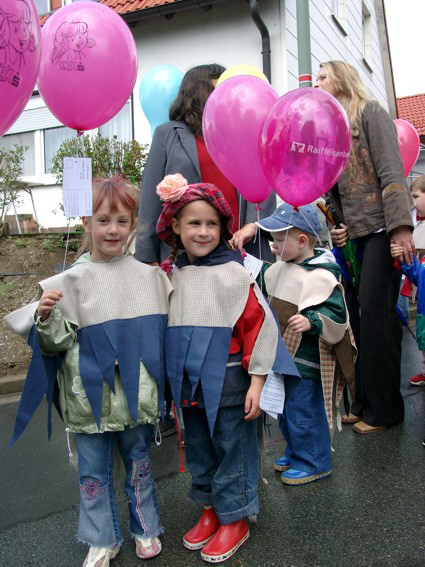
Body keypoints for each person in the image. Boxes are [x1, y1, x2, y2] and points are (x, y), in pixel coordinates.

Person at [4, 176, 173, 567]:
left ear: (134, 225)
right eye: (102, 220)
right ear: (86, 222)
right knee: (92, 476)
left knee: (140, 467)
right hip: (87, 401)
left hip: (137, 400)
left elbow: (162, 331)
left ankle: (145, 527)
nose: (112, 229)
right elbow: (56, 344)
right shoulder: (70, 281)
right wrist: (45, 316)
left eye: (121, 220)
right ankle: (101, 539)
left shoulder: (148, 277)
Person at [155, 174, 299, 563]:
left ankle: (235, 515)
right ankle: (210, 508)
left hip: (232, 383)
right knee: (199, 447)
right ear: (175, 227)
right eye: (193, 223)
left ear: (223, 229)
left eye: (211, 224)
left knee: (233, 448)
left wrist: (257, 383)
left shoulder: (236, 274)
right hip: (189, 385)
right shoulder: (170, 274)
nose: (202, 232)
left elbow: (258, 327)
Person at [315, 60, 414, 434]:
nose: (316, 81)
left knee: (376, 318)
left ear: (341, 78)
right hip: (353, 237)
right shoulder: (329, 128)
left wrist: (401, 229)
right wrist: (335, 228)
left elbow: (391, 171)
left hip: (382, 230)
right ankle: (362, 403)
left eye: (322, 75)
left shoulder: (370, 113)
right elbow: (333, 192)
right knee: (356, 320)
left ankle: (386, 411)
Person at [135, 63, 276, 266]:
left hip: (243, 249)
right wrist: (146, 258)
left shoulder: (241, 131)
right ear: (197, 91)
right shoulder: (167, 134)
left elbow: (263, 179)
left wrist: (253, 224)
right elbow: (149, 201)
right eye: (218, 87)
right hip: (186, 253)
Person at [257, 203, 356, 485]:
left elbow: (337, 314)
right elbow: (267, 289)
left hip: (307, 362)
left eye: (279, 239)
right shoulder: (281, 268)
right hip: (285, 357)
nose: (274, 245)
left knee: (304, 412)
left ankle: (315, 461)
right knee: (286, 411)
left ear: (302, 241)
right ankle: (297, 450)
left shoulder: (322, 275)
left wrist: (312, 321)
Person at [391, 175, 425, 387]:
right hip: (423, 305)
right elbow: (417, 273)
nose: (412, 203)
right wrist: (401, 258)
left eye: (416, 196)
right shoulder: (419, 229)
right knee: (423, 340)